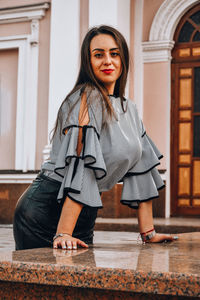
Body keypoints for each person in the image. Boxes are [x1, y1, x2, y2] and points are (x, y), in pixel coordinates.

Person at [13, 25, 176, 251]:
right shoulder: (86, 99)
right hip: (46, 210)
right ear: (88, 62)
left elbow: (142, 170)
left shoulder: (130, 109)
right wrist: (64, 232)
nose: (107, 61)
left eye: (114, 53)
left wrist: (148, 233)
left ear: (123, 60)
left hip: (84, 209)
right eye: (98, 55)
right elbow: (80, 166)